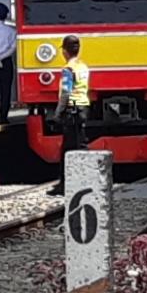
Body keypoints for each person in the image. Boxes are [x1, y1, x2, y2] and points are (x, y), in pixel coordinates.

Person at [48, 35, 90, 196]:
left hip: (71, 110)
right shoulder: (83, 67)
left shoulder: (68, 69)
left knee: (68, 149)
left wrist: (58, 113)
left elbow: (65, 92)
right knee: (80, 145)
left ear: (65, 51)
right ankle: (80, 181)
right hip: (83, 107)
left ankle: (66, 185)